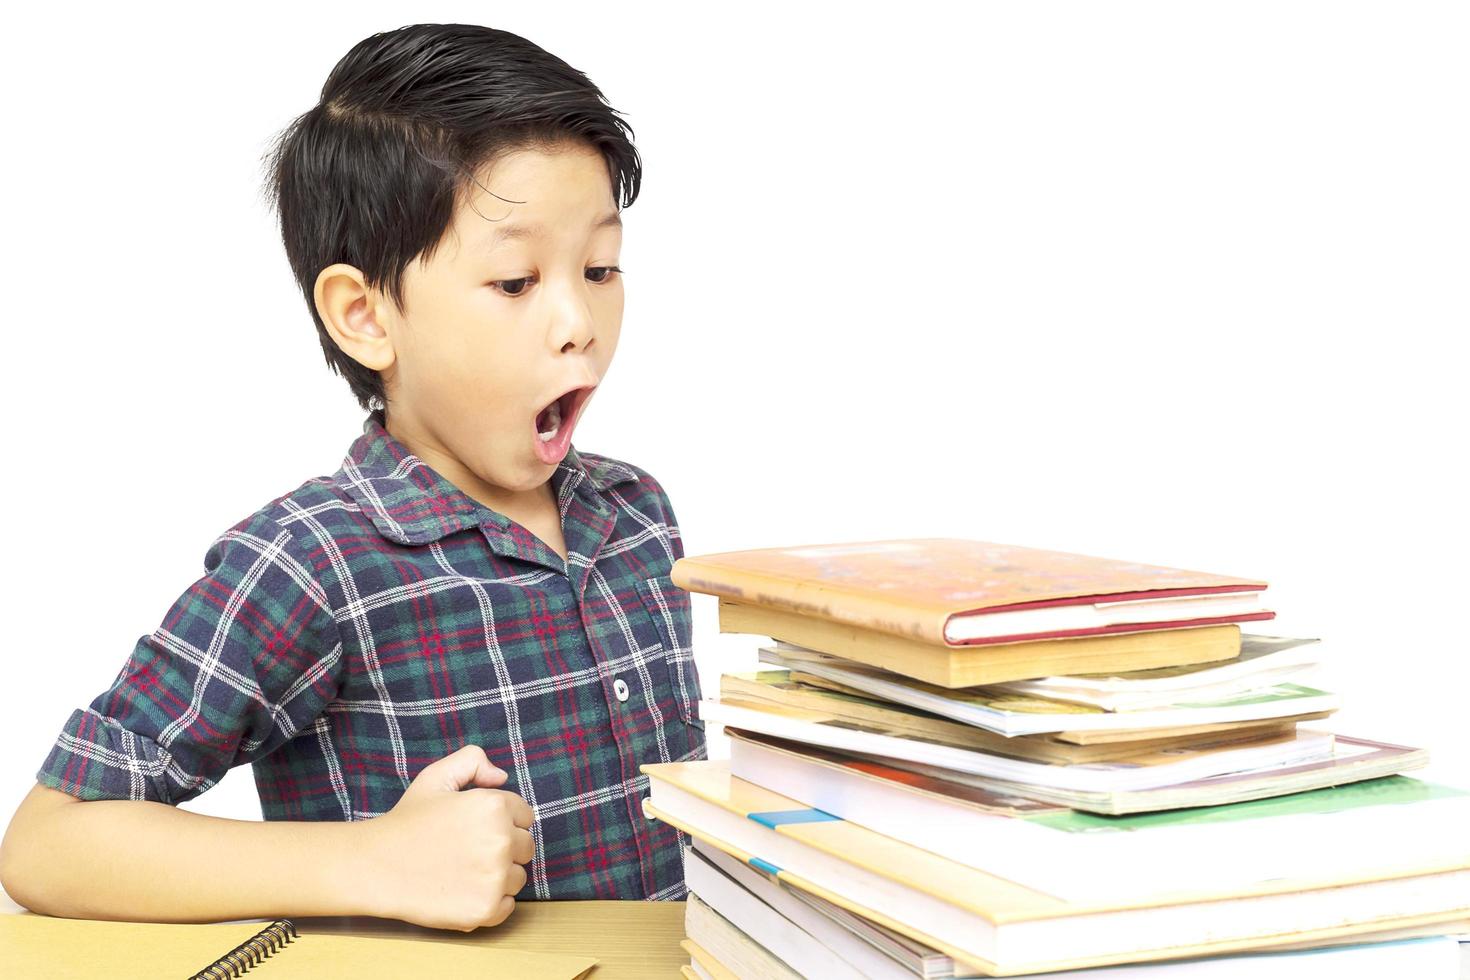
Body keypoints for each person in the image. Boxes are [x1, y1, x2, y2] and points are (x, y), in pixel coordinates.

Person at [0, 23, 705, 932]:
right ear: (366, 316)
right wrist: (370, 860)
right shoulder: (312, 560)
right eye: (517, 280)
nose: (580, 321)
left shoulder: (636, 513)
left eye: (601, 268)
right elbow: (52, 842)